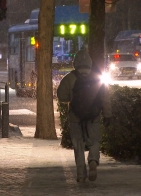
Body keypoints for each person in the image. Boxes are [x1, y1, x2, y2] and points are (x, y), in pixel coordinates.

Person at [57, 48, 112, 182]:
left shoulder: (70, 77)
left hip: (75, 117)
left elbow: (61, 96)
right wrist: (107, 115)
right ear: (90, 62)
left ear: (75, 63)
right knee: (94, 142)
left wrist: (71, 99)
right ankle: (93, 161)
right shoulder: (97, 77)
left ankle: (81, 174)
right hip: (94, 116)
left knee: (78, 146)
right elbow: (105, 98)